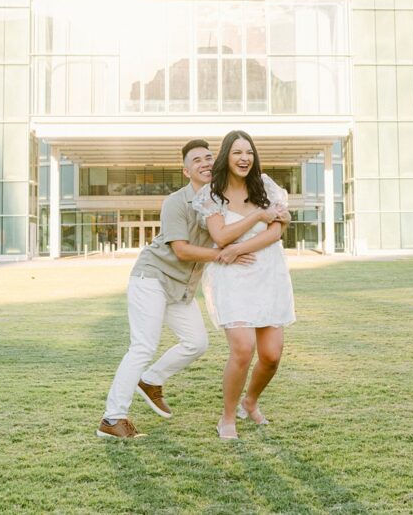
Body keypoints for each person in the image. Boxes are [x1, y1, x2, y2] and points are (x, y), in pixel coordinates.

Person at [97, 139, 284, 439]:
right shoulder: (176, 202)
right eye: (197, 160)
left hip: (182, 288)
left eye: (209, 157)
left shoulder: (218, 198)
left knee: (197, 343)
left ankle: (151, 380)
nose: (205, 163)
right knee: (143, 345)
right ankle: (112, 418)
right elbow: (182, 251)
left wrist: (275, 218)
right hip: (153, 278)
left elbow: (249, 226)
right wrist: (226, 254)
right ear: (186, 171)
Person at [192, 130, 296, 440]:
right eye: (237, 152)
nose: (244, 158)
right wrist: (257, 217)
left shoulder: (265, 187)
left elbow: (276, 232)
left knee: (272, 355)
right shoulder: (212, 194)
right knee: (242, 348)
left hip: (268, 274)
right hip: (232, 279)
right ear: (226, 156)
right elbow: (220, 236)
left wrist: (239, 248)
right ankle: (227, 418)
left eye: (248, 152)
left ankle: (249, 403)